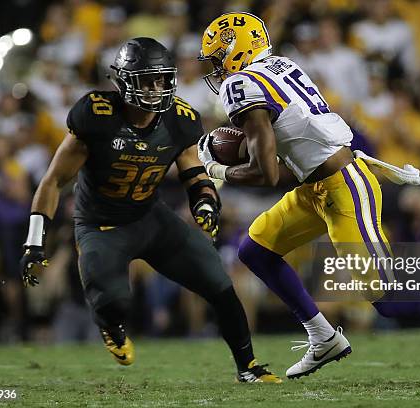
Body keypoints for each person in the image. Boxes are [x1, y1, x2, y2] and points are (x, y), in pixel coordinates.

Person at [196, 12, 420, 383]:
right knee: (255, 250)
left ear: (236, 51)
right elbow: (289, 146)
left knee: (389, 300)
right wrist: (246, 147)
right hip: (317, 186)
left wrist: (217, 169)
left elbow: (268, 173)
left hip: (344, 186)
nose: (216, 70)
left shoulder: (241, 84)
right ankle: (323, 337)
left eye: (217, 58)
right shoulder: (280, 64)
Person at [19, 37, 280, 383]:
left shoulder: (180, 119)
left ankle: (247, 367)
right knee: (113, 303)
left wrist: (205, 201)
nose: (157, 88)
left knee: (219, 283)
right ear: (124, 81)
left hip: (150, 218)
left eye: (162, 79)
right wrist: (34, 242)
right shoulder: (95, 115)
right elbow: (52, 181)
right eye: (147, 79)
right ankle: (111, 326)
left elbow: (193, 170)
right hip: (101, 226)